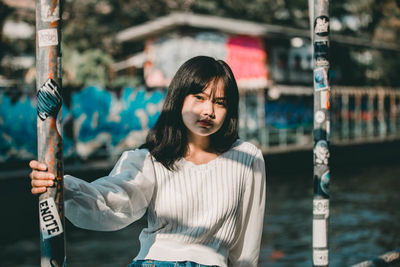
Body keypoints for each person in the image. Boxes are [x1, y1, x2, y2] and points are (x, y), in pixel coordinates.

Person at [29, 56, 266, 267]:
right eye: (199, 98)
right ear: (180, 98)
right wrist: (61, 185)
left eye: (220, 102)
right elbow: (113, 201)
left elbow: (247, 245)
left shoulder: (246, 157)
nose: (208, 111)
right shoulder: (149, 160)